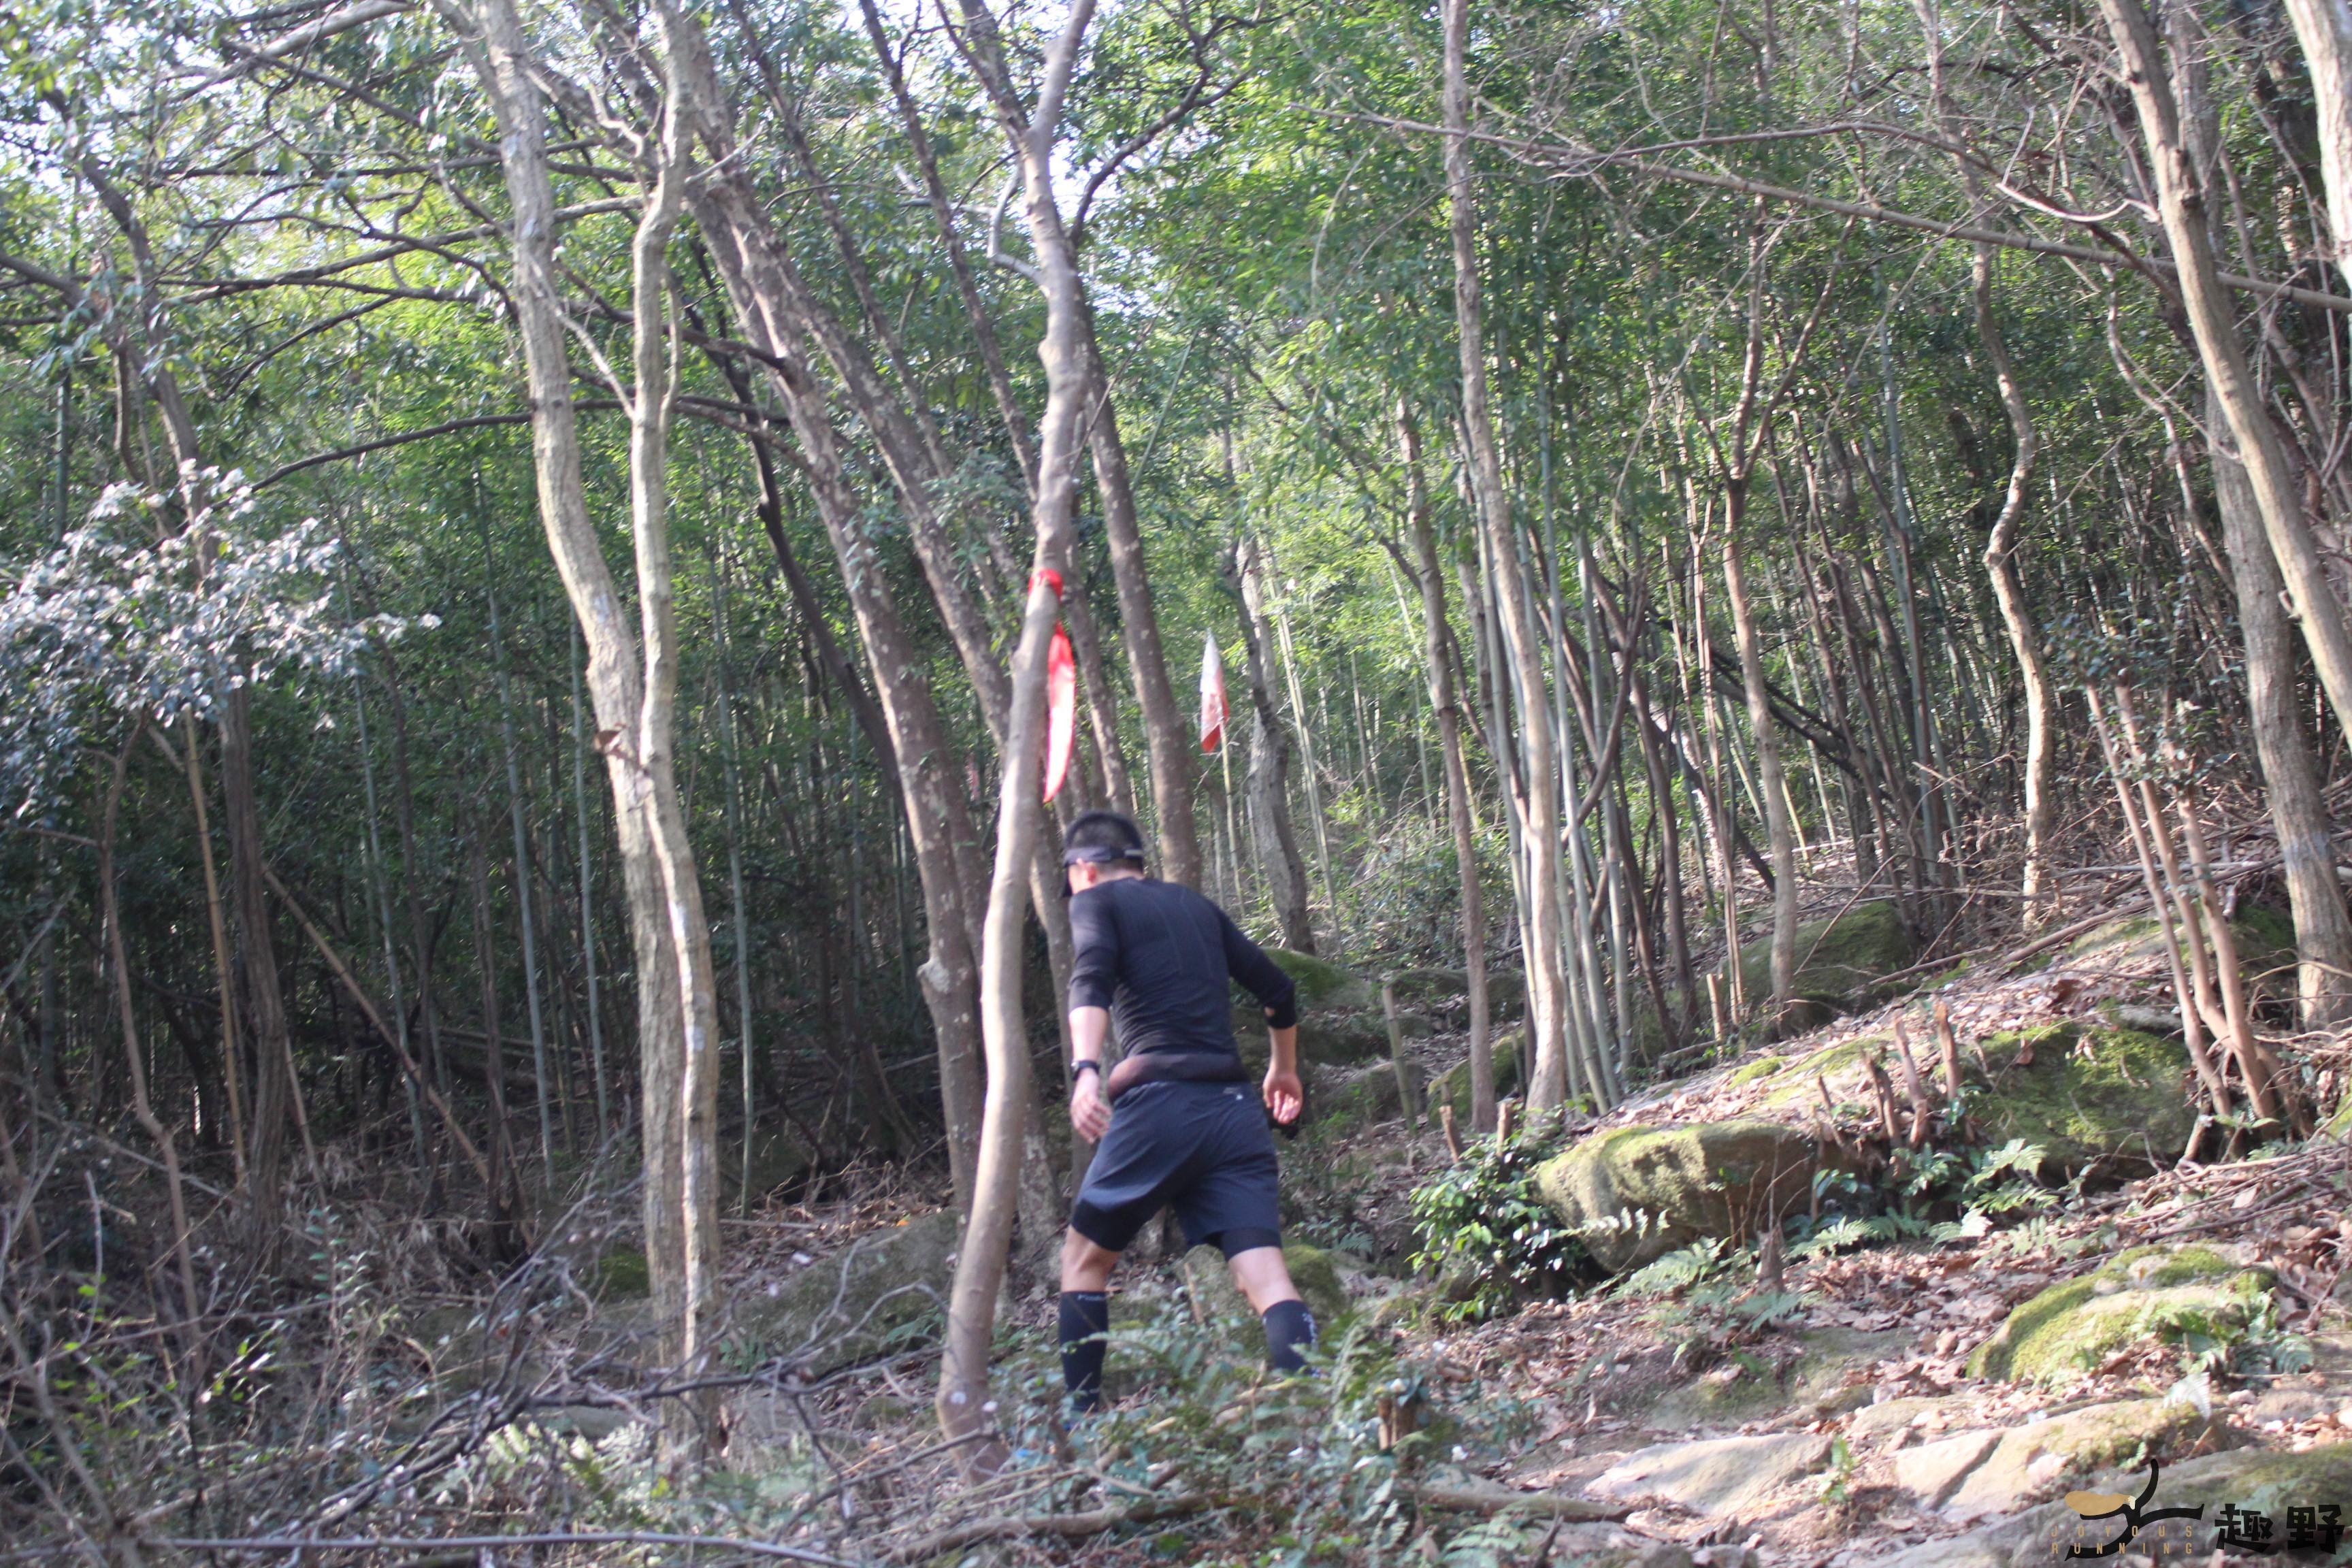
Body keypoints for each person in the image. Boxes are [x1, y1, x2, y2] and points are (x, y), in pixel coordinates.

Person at [1055, 808, 1316, 1414]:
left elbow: (1090, 977)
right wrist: (1283, 1068)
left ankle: (1082, 1427)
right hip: (1233, 1111)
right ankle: (1312, 1426)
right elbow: (1278, 990)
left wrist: (1086, 1068)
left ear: (1085, 871)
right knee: (1265, 1277)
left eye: (1071, 882)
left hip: (1158, 1107)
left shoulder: (1094, 902)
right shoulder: (1197, 907)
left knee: (1083, 1261)